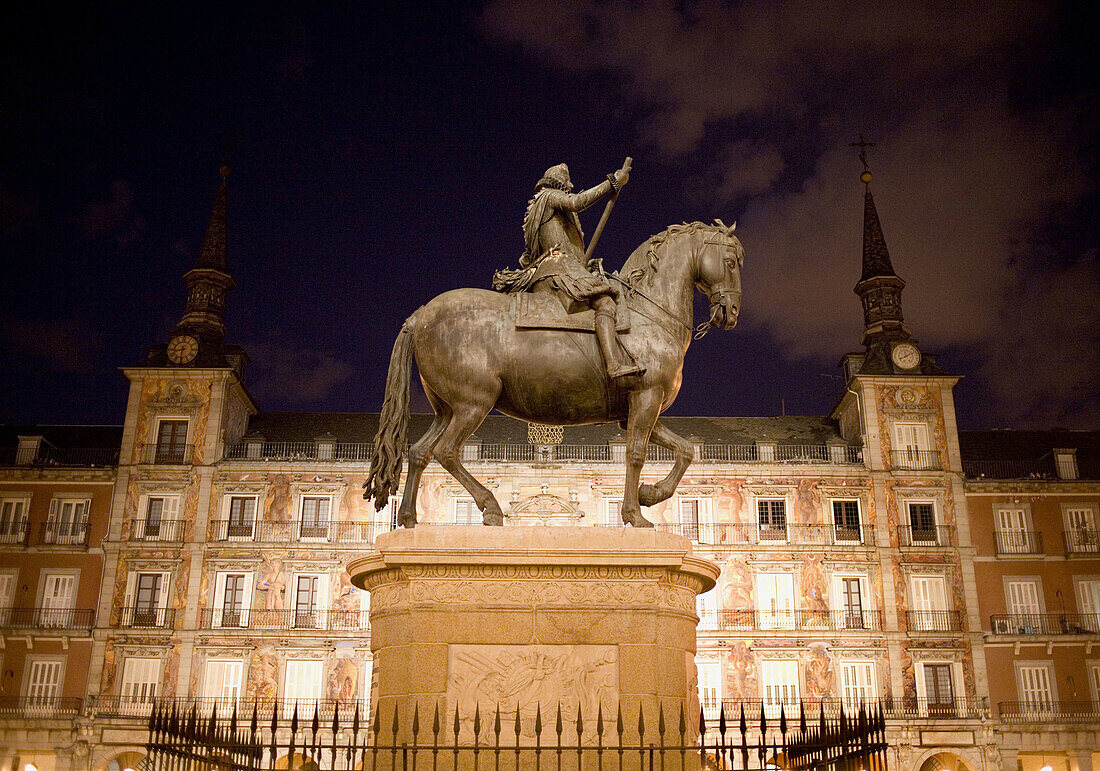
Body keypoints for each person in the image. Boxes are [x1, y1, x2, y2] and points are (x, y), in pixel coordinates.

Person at [498, 160, 643, 379]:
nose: (571, 185)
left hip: (557, 267)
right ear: (558, 182)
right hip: (559, 269)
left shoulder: (538, 207)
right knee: (605, 301)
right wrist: (613, 182)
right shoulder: (549, 195)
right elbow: (577, 202)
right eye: (567, 181)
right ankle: (613, 364)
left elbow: (528, 255)